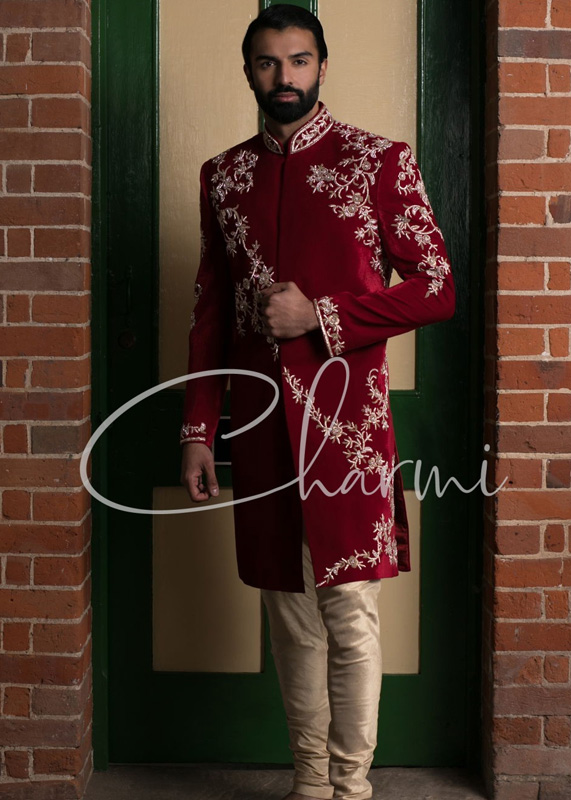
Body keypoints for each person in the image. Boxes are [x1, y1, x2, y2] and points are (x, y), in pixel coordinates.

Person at [180, 6, 455, 799]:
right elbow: (209, 313)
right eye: (268, 63)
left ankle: (353, 786)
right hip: (261, 427)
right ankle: (309, 783)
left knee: (349, 611)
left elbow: (438, 290)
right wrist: (199, 429)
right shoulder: (223, 176)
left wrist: (322, 317)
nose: (285, 78)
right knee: (289, 614)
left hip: (349, 427)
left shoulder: (378, 162)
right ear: (248, 72)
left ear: (323, 68)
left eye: (300, 61)